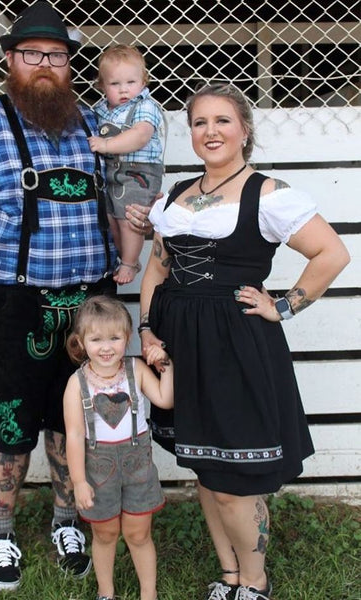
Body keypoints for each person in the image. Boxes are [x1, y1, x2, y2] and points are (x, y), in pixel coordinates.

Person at [0, 1, 122, 592]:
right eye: (31, 54)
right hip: (13, 303)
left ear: (69, 65)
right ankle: (0, 530)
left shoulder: (96, 126)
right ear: (10, 59)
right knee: (11, 424)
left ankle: (67, 520)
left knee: (73, 423)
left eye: (56, 56)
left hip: (91, 305)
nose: (44, 65)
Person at [138, 82, 350, 600]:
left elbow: (332, 254)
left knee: (235, 477)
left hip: (234, 346)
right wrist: (147, 329)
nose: (210, 132)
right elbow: (156, 270)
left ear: (244, 130)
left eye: (222, 121)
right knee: (207, 470)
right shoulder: (177, 195)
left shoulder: (268, 194)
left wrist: (282, 306)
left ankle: (255, 584)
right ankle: (228, 576)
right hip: (181, 343)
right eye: (199, 122)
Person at [63, 295, 173, 600]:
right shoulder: (77, 383)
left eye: (115, 337)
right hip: (98, 469)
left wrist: (166, 365)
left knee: (138, 534)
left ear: (127, 338)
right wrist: (79, 481)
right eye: (97, 339)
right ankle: (106, 591)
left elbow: (165, 399)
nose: (107, 347)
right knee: (105, 533)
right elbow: (73, 435)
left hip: (137, 464)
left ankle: (147, 593)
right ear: (81, 343)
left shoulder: (135, 370)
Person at [88, 45, 165, 285]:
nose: (124, 90)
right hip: (112, 172)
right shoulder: (101, 110)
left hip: (138, 171)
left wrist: (106, 145)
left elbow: (139, 136)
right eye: (114, 84)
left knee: (128, 217)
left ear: (144, 81)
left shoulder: (145, 106)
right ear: (102, 85)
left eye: (131, 82)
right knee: (110, 216)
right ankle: (126, 257)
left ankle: (129, 263)